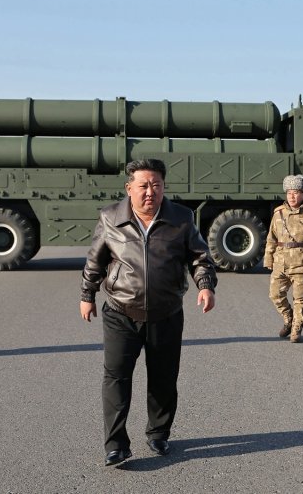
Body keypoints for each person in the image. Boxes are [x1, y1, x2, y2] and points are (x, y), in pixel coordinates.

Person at [80, 158, 217, 467]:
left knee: (163, 378)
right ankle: (116, 445)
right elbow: (95, 260)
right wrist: (87, 294)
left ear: (163, 187)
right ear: (129, 188)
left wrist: (205, 285)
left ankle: (158, 433)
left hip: (166, 313)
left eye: (156, 185)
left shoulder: (181, 218)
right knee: (116, 377)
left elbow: (199, 257)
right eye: (143, 185)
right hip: (120, 312)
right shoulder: (110, 217)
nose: (149, 192)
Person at [263, 175, 303, 343]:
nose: (292, 196)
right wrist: (268, 259)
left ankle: (296, 328)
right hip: (280, 263)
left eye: (295, 193)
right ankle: (289, 318)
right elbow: (271, 238)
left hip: (302, 264)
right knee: (275, 295)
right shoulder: (278, 213)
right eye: (289, 193)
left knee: (300, 299)